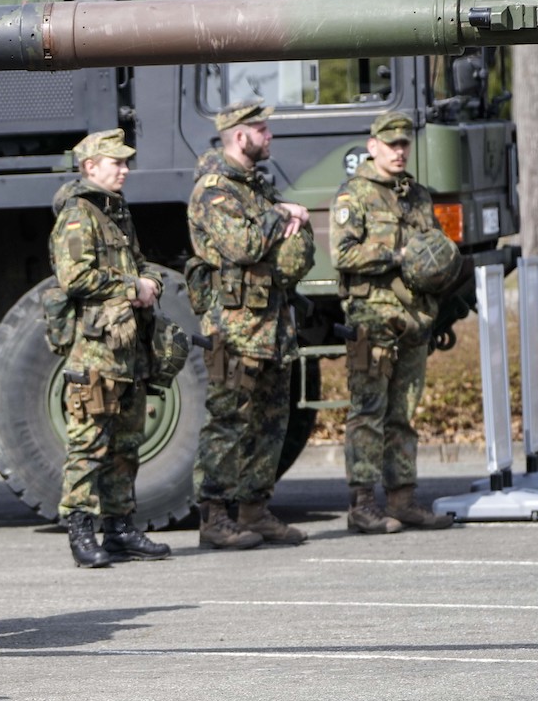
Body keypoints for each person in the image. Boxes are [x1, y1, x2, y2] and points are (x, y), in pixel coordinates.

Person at [186, 99, 316, 550]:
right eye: (262, 130)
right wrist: (285, 215)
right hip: (235, 329)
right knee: (228, 421)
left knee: (270, 420)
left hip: (273, 325)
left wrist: (284, 216)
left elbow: (285, 241)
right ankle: (215, 516)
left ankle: (255, 510)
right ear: (240, 137)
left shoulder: (255, 187)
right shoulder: (214, 190)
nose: (270, 137)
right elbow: (242, 246)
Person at [49, 128, 173, 568]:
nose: (124, 169)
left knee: (126, 441)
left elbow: (137, 265)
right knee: (89, 443)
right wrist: (131, 285)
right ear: (90, 168)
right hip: (95, 353)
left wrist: (150, 280)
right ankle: (81, 530)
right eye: (115, 162)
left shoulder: (115, 213)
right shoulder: (79, 214)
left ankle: (120, 528)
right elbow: (75, 279)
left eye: (124, 162)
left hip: (127, 350)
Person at [331, 112, 455, 533]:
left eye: (404, 143)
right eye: (391, 144)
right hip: (373, 320)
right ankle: (362, 504)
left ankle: (402, 500)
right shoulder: (355, 195)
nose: (400, 150)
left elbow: (435, 246)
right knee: (369, 411)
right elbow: (343, 254)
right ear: (373, 147)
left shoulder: (417, 195)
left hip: (413, 320)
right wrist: (397, 254)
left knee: (403, 412)